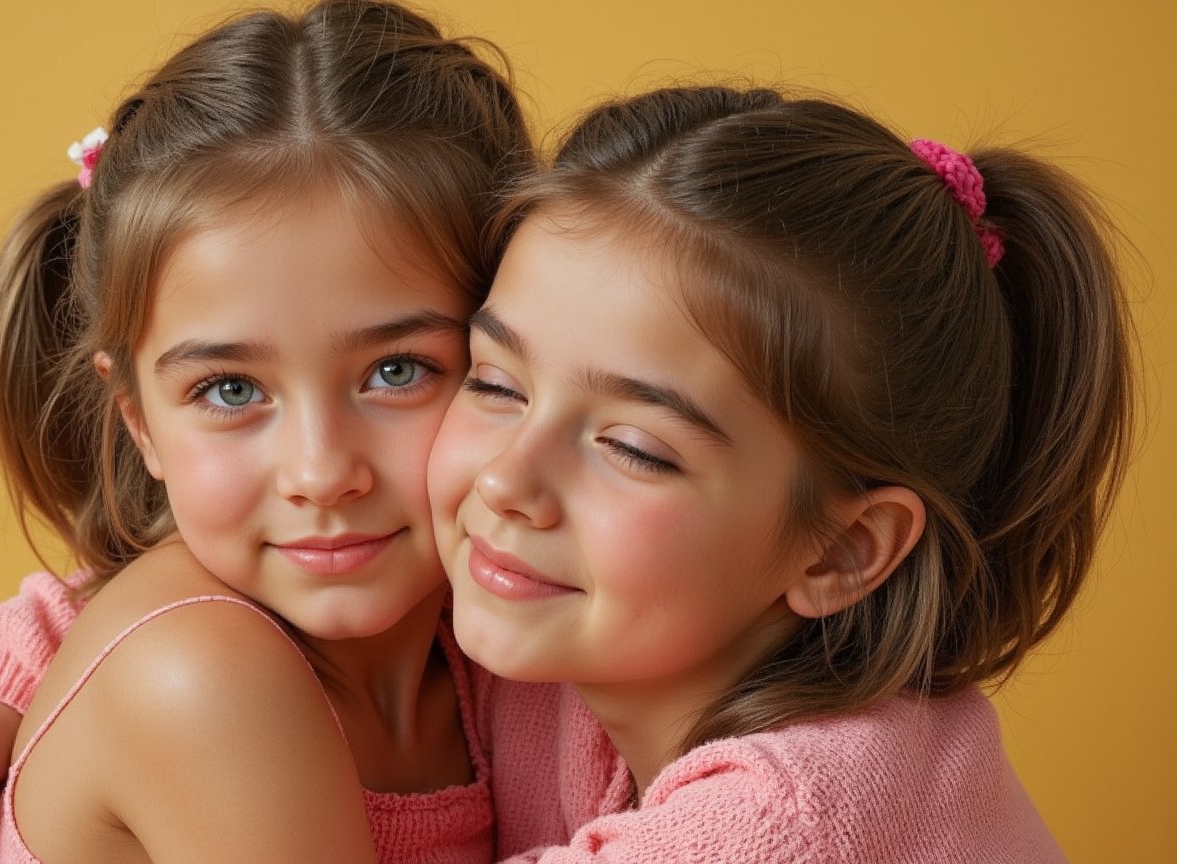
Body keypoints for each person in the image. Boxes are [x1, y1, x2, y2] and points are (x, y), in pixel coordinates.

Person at [0, 2, 532, 862]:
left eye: (397, 371)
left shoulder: (485, 637)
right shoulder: (202, 679)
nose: (322, 474)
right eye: (231, 388)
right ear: (138, 422)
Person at [435, 85, 1133, 861]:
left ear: (842, 550)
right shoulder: (587, 651)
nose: (505, 482)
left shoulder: (786, 825)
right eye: (495, 384)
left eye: (634, 448)